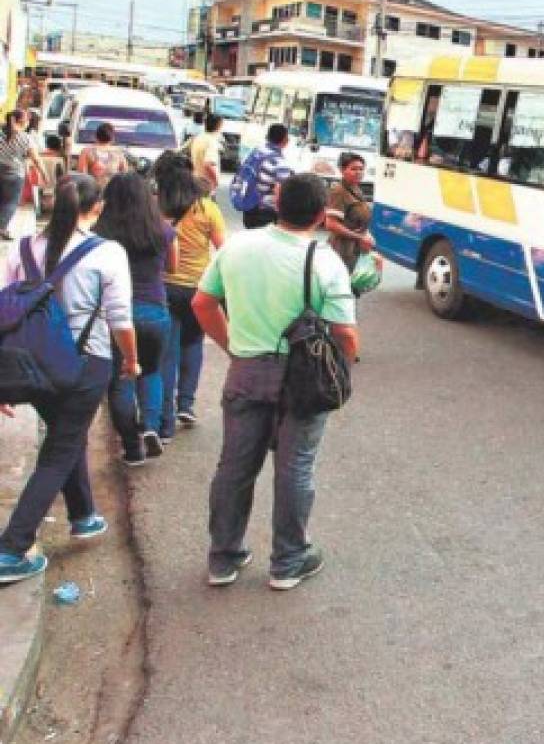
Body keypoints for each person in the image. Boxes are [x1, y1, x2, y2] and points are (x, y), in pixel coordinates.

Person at [193, 174, 357, 591]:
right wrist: (344, 366)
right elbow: (345, 334)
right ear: (322, 216)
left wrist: (232, 344)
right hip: (301, 380)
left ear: (277, 201)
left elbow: (203, 302)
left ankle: (223, 559)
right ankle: (288, 561)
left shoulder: (236, 246)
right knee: (295, 468)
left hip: (245, 372)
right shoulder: (324, 262)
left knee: (234, 466)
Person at [0, 175, 138, 583]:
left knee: (66, 434)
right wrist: (131, 361)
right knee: (60, 449)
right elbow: (120, 318)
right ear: (96, 208)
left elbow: (5, 314)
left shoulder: (23, 249)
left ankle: (83, 516)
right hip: (86, 363)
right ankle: (11, 549)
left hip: (32, 366)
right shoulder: (107, 252)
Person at [93, 173, 178, 464]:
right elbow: (173, 267)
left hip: (115, 316)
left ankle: (132, 446)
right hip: (155, 311)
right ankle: (151, 428)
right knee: (152, 372)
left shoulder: (99, 233)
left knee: (121, 380)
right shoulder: (163, 231)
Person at [156, 152, 224, 433]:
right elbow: (223, 249)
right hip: (198, 289)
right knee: (193, 346)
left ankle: (165, 417)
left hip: (164, 287)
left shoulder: (157, 207)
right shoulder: (207, 208)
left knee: (167, 353)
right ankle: (185, 405)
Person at [323, 153, 376, 275]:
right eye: (353, 169)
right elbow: (331, 224)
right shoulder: (338, 191)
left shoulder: (356, 189)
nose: (358, 172)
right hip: (341, 250)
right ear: (342, 170)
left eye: (361, 169)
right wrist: (360, 237)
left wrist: (366, 235)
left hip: (356, 249)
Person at [0, 109, 46, 240]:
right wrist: (44, 174)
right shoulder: (25, 138)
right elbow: (36, 159)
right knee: (10, 202)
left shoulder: (1, 133)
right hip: (14, 174)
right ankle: (2, 228)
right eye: (27, 121)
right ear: (23, 121)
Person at [241, 123, 292, 229]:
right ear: (285, 140)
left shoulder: (255, 153)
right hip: (265, 212)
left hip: (249, 206)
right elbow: (280, 190)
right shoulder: (279, 162)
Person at [78, 122, 127, 188]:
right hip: (112, 193)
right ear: (112, 138)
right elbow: (125, 175)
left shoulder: (87, 152)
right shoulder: (118, 153)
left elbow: (82, 176)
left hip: (93, 192)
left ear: (95, 136)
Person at [187, 113, 222, 194]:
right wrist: (215, 181)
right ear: (218, 126)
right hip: (206, 185)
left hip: (195, 180)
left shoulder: (198, 138)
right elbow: (208, 164)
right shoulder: (211, 142)